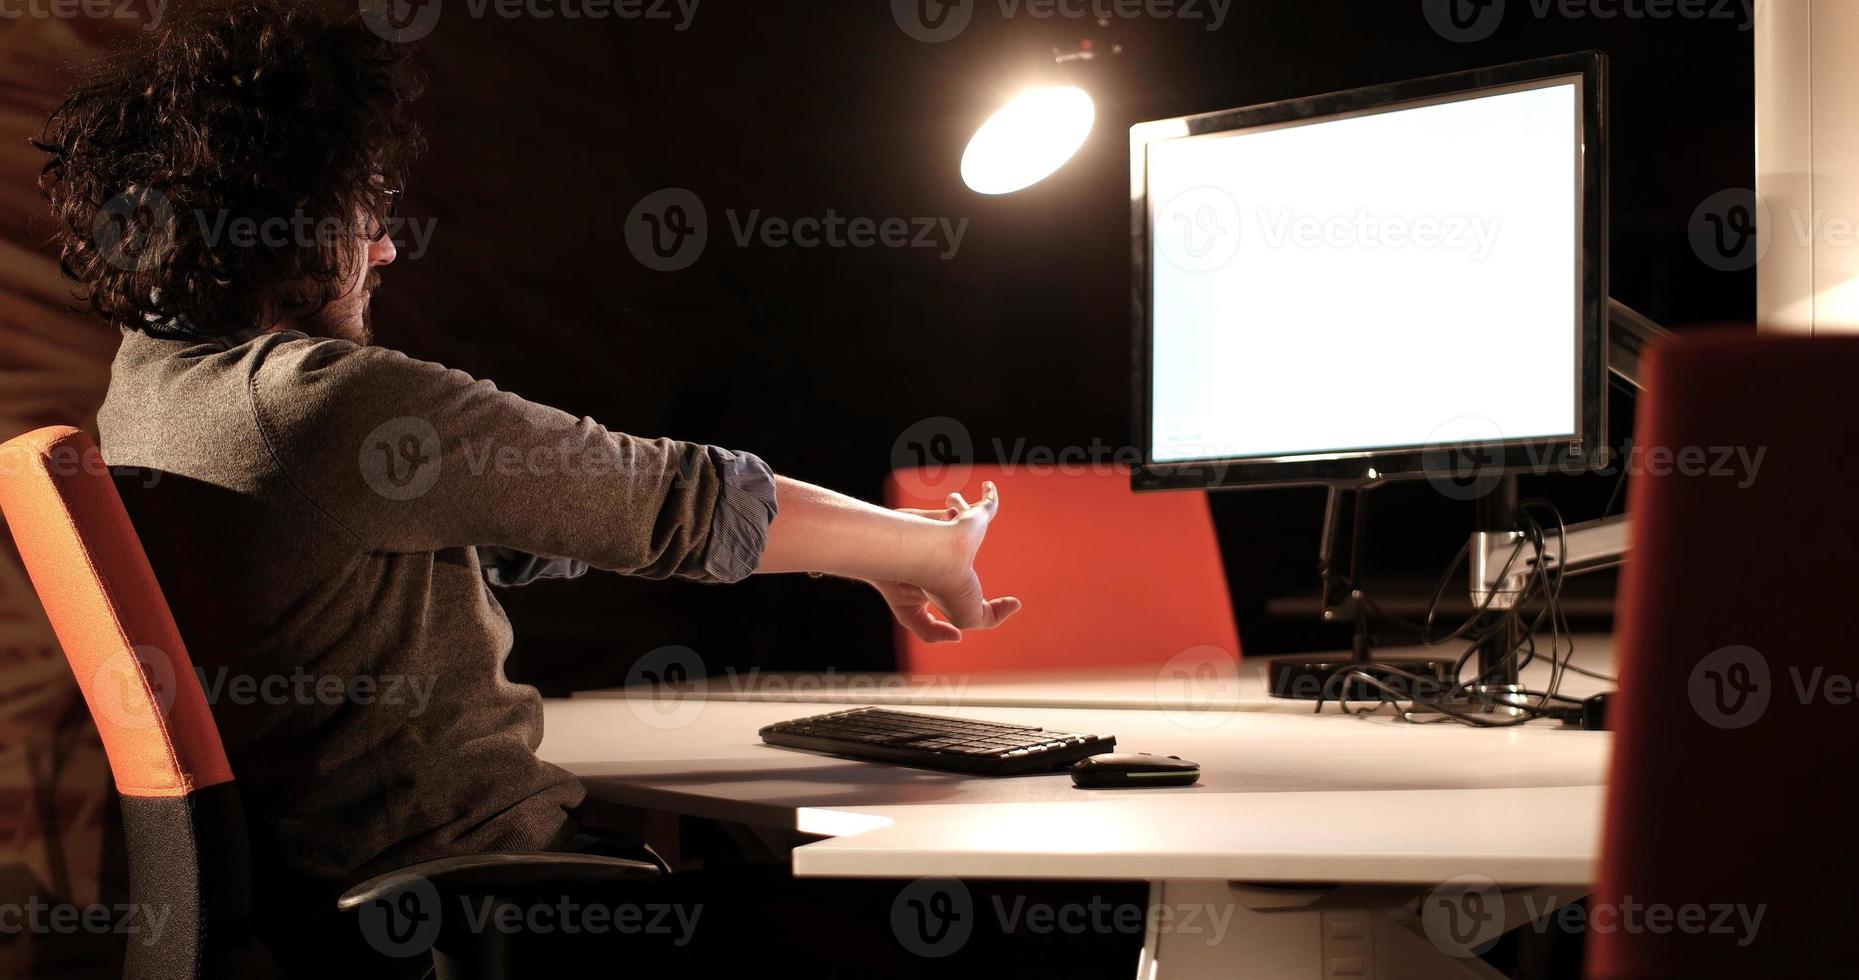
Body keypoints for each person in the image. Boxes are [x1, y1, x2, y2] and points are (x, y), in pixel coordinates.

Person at [33, 1, 1019, 970]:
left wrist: (869, 549)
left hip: (366, 917)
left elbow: (516, 522)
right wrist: (918, 548)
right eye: (366, 209)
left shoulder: (145, 390)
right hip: (486, 912)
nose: (381, 247)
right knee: (983, 926)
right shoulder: (322, 405)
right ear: (295, 221)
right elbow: (667, 500)